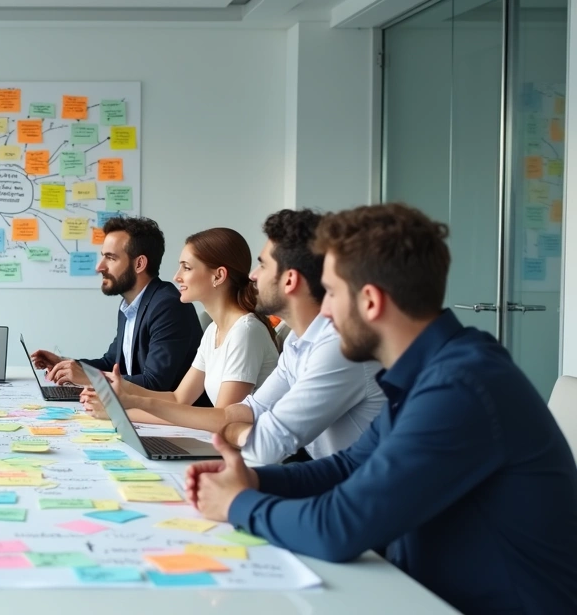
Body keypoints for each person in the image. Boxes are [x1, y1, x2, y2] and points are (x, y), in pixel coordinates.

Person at [187, 204, 577, 614]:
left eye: (333, 293)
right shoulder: (429, 370)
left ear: (370, 302)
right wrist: (253, 480)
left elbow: (340, 527)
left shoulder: (460, 387)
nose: (323, 310)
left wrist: (237, 504)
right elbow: (346, 468)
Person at [98, 210, 385, 465]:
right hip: (319, 473)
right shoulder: (298, 345)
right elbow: (240, 415)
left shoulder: (337, 348)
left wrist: (129, 407)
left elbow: (263, 443)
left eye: (263, 265)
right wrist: (129, 405)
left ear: (289, 280)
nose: (253, 276)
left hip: (342, 484)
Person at [83, 226, 280, 421]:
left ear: (218, 276)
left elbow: (222, 420)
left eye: (186, 267)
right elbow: (179, 398)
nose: (177, 276)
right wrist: (122, 389)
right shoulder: (214, 330)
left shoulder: (245, 332)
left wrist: (120, 412)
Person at [28, 216, 203, 393]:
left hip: (174, 418)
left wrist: (90, 378)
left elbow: (155, 383)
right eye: (103, 256)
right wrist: (64, 364)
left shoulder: (168, 306)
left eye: (110, 258)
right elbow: (111, 363)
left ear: (139, 264)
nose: (99, 266)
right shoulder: (130, 305)